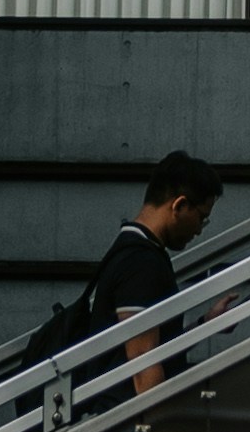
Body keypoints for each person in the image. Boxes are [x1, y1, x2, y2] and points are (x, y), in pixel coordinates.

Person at [86, 154, 222, 397]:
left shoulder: (135, 250)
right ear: (179, 205)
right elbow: (142, 362)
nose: (200, 229)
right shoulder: (141, 262)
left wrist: (205, 324)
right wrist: (161, 431)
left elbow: (154, 346)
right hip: (128, 425)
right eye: (201, 217)